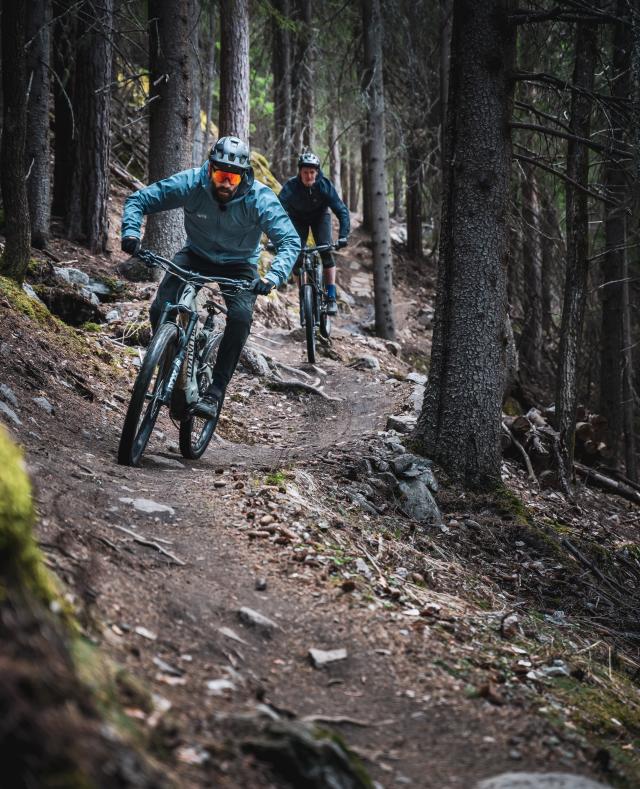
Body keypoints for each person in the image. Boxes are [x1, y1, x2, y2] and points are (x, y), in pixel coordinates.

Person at [120, 135, 301, 421]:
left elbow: (289, 240)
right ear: (210, 169)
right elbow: (139, 200)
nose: (226, 182)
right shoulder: (193, 182)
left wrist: (273, 276)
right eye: (220, 173)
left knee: (240, 318)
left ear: (243, 176)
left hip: (239, 265)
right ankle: (171, 368)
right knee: (160, 308)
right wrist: (131, 233)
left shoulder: (260, 198)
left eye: (233, 176)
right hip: (196, 254)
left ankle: (215, 391)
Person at [278, 152, 350, 315]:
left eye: (312, 172)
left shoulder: (324, 185)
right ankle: (303, 294)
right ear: (300, 172)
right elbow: (276, 211)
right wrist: (274, 238)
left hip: (320, 218)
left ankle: (331, 297)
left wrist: (343, 235)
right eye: (305, 172)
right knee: (296, 258)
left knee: (326, 253)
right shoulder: (291, 187)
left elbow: (341, 210)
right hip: (298, 220)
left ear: (317, 172)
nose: (309, 176)